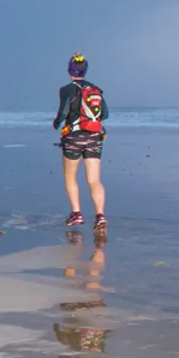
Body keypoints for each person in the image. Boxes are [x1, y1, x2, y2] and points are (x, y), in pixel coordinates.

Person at [53, 53, 108, 230]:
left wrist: (56, 123)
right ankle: (100, 216)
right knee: (94, 180)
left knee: (70, 176)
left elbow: (63, 113)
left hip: (74, 137)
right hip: (94, 137)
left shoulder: (66, 89)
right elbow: (105, 115)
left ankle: (76, 214)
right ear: (85, 71)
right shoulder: (96, 90)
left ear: (69, 71)